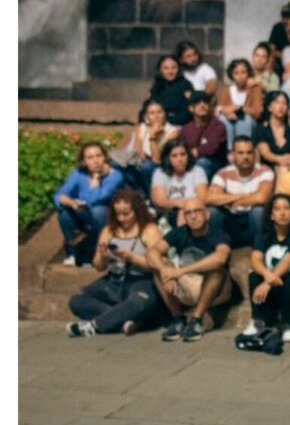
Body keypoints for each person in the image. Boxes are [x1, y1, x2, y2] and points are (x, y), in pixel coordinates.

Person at [66, 189, 163, 337]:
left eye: (126, 214)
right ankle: (124, 321)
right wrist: (103, 256)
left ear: (136, 211)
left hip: (141, 280)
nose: (122, 219)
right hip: (114, 279)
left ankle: (95, 325)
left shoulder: (150, 230)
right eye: (118, 214)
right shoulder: (108, 231)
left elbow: (158, 265)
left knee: (138, 302)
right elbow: (98, 267)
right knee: (77, 301)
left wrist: (132, 257)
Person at [148, 197, 232, 342]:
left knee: (217, 268)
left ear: (207, 214)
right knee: (158, 264)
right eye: (188, 213)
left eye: (197, 211)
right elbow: (152, 252)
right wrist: (164, 271)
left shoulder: (218, 233)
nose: (193, 216)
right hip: (187, 284)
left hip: (215, 289)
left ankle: (196, 320)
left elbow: (220, 258)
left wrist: (180, 271)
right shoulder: (180, 232)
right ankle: (178, 319)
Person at [243, 193, 290, 343]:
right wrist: (267, 275)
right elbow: (256, 260)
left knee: (289, 277)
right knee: (254, 275)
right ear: (271, 215)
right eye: (277, 209)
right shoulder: (264, 235)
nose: (282, 213)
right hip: (276, 285)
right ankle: (258, 320)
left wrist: (267, 283)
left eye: (287, 209)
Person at [54, 141, 125, 266]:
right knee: (64, 214)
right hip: (84, 213)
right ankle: (75, 253)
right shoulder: (79, 173)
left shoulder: (115, 176)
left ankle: (98, 252)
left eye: (99, 156)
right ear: (84, 161)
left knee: (97, 210)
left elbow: (94, 200)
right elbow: (60, 194)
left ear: (105, 157)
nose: (96, 161)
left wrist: (96, 178)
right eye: (90, 158)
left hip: (107, 216)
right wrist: (71, 202)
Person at [205, 136, 274, 249]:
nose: (245, 157)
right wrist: (240, 196)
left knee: (258, 211)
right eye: (240, 153)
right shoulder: (223, 173)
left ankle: (261, 250)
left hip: (253, 221)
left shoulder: (264, 171)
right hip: (232, 221)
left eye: (249, 152)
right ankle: (218, 250)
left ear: (254, 154)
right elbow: (210, 198)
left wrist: (229, 200)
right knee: (213, 212)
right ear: (233, 155)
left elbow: (262, 198)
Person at [121, 99, 179, 196]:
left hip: (162, 166)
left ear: (165, 114)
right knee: (119, 168)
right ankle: (140, 195)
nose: (156, 116)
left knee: (147, 167)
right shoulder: (141, 127)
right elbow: (139, 152)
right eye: (152, 113)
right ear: (146, 116)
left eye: (159, 112)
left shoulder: (172, 132)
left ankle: (152, 197)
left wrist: (152, 136)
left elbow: (157, 159)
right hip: (142, 163)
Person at [151, 139, 208, 228]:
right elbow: (160, 201)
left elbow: (202, 197)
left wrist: (186, 209)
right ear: (167, 158)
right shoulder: (160, 173)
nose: (180, 159)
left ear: (188, 155)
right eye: (174, 156)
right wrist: (179, 204)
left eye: (183, 154)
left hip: (194, 209)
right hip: (171, 212)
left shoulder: (197, 171)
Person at [178, 91, 227, 181]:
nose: (202, 105)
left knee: (202, 162)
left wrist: (193, 152)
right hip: (191, 161)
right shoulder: (185, 129)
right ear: (191, 108)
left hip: (215, 164)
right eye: (197, 103)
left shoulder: (218, 126)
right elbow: (181, 148)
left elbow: (212, 148)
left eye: (205, 102)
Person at [216, 58, 264, 149]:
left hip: (249, 122)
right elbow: (220, 107)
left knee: (244, 120)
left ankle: (244, 149)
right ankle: (230, 150)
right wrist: (228, 113)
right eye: (236, 73)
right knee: (224, 120)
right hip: (230, 121)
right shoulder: (226, 90)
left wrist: (240, 109)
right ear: (232, 75)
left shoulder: (254, 89)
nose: (240, 76)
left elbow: (258, 112)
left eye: (243, 72)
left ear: (248, 73)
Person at [255, 91, 290, 175]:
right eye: (277, 102)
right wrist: (279, 159)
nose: (281, 106)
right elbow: (265, 153)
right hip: (267, 168)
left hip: (289, 167)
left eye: (284, 103)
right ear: (269, 107)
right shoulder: (261, 130)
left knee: (284, 169)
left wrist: (287, 162)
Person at [149, 54, 194, 127]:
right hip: (157, 123)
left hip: (178, 125)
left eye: (174, 68)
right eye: (166, 68)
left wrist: (164, 120)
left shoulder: (186, 85)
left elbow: (186, 114)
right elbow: (149, 108)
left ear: (179, 69)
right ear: (160, 70)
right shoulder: (156, 86)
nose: (170, 71)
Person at [268, 2, 290, 73]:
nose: (286, 20)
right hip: (279, 63)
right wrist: (285, 55)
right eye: (284, 17)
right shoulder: (277, 27)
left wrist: (289, 32)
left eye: (289, 17)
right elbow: (271, 49)